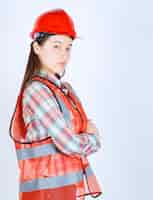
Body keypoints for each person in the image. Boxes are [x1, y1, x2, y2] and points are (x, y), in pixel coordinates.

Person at [9, 8, 103, 200]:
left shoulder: (65, 90)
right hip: (46, 194)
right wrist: (93, 139)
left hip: (69, 191)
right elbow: (69, 143)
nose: (64, 55)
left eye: (68, 47)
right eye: (56, 46)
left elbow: (77, 134)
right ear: (37, 47)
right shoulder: (37, 90)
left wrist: (83, 135)